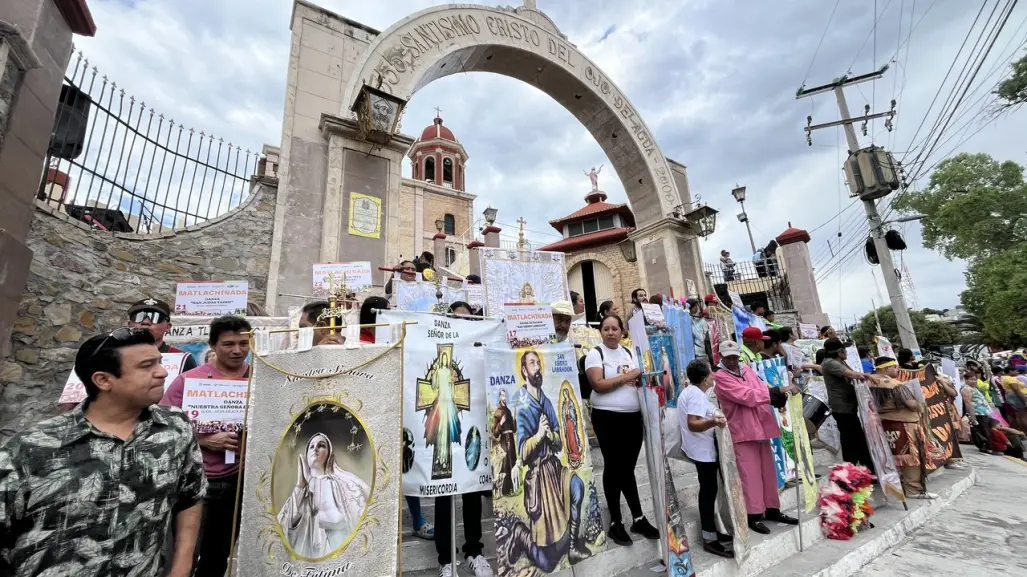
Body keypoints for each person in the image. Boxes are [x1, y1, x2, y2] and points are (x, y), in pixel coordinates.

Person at [0, 329, 206, 577]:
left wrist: (181, 566)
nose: (162, 372)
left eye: (159, 362)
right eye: (146, 366)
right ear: (103, 380)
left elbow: (190, 497)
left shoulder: (175, 428)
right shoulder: (32, 447)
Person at [161, 315, 251, 577]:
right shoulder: (187, 381)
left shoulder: (261, 381)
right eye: (228, 344)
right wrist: (203, 440)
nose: (237, 350)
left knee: (217, 556)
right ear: (213, 345)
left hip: (240, 481)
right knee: (182, 555)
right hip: (198, 482)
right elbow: (164, 428)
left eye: (243, 343)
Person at [498, 350, 592, 571]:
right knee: (548, 564)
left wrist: (551, 436)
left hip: (554, 467)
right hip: (539, 476)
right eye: (532, 363)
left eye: (538, 362)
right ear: (524, 371)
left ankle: (572, 548)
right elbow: (522, 452)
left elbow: (559, 442)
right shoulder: (521, 403)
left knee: (577, 487)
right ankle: (521, 535)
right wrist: (540, 434)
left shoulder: (546, 401)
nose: (537, 367)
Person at [583, 315, 660, 545]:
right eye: (605, 329)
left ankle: (638, 518)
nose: (610, 332)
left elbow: (640, 378)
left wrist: (638, 380)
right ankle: (617, 522)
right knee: (614, 465)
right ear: (601, 332)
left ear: (622, 331)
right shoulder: (596, 354)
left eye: (614, 328)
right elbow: (598, 385)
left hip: (633, 418)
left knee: (626, 468)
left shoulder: (629, 353)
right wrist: (628, 376)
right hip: (607, 418)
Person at [713, 341, 797, 534]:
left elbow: (760, 386)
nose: (733, 360)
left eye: (735, 356)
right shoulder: (720, 377)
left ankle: (772, 508)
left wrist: (778, 396)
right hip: (742, 430)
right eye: (729, 357)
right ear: (721, 357)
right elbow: (746, 395)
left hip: (761, 425)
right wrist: (774, 393)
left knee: (768, 472)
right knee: (749, 475)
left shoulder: (747, 369)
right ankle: (754, 514)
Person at [278, 432, 370, 559]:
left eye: (321, 445)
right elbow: (287, 526)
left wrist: (311, 480)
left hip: (331, 550)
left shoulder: (336, 484)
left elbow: (335, 518)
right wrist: (300, 485)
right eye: (311, 446)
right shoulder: (299, 492)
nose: (315, 449)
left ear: (329, 455)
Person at [678, 359, 733, 558]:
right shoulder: (694, 395)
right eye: (711, 374)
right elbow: (693, 423)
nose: (714, 376)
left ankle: (712, 530)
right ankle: (709, 538)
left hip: (702, 450)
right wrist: (714, 421)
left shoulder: (693, 392)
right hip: (703, 452)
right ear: (704, 379)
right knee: (708, 492)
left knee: (710, 490)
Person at [870, 357, 935, 499]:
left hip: (881, 425)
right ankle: (913, 489)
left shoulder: (866, 382)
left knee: (892, 459)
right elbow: (911, 404)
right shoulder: (894, 384)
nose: (897, 370)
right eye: (895, 367)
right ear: (886, 368)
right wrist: (920, 404)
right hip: (903, 425)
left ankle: (898, 487)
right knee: (911, 459)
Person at [820, 337, 876, 472]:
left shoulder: (840, 362)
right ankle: (851, 472)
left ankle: (863, 468)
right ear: (840, 351)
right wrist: (870, 376)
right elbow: (851, 374)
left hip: (848, 406)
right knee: (851, 440)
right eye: (845, 351)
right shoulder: (830, 363)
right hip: (842, 407)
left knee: (856, 438)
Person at [128, 297, 199, 372]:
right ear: (129, 324)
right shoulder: (116, 355)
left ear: (168, 327)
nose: (145, 322)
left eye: (155, 318)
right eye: (139, 317)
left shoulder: (182, 359)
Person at [492, 388, 517, 497]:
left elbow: (514, 429)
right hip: (504, 440)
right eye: (502, 395)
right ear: (499, 397)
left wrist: (514, 418)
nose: (504, 397)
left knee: (513, 462)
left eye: (505, 395)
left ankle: (513, 488)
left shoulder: (509, 411)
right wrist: (500, 423)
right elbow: (495, 433)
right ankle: (505, 490)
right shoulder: (497, 412)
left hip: (511, 439)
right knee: (506, 464)